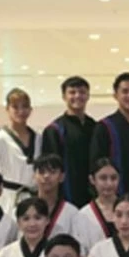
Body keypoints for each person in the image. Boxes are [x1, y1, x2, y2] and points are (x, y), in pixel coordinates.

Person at [91, 72, 129, 200]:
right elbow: (96, 165)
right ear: (116, 95)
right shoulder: (105, 127)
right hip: (114, 198)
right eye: (125, 91)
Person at [0, 87, 42, 213]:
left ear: (30, 110)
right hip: (8, 198)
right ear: (7, 109)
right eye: (15, 107)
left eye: (24, 106)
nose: (20, 111)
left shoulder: (38, 138)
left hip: (33, 196)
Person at [44, 76, 97, 207]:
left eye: (82, 92)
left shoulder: (96, 127)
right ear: (64, 96)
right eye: (72, 92)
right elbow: (51, 170)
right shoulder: (54, 130)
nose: (77, 96)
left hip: (93, 195)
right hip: (66, 197)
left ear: (88, 95)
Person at [71, 158, 120, 254]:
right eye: (103, 178)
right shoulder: (83, 215)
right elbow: (80, 252)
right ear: (92, 180)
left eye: (113, 178)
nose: (109, 183)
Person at [33, 154, 79, 238]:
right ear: (34, 176)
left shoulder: (72, 213)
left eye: (52, 172)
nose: (46, 176)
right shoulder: (24, 209)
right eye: (41, 172)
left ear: (62, 177)